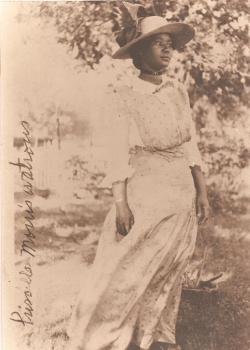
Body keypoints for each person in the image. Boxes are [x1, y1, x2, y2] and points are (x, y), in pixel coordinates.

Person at [65, 6, 211, 350]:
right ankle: (103, 335)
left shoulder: (178, 91)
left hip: (180, 196)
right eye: (156, 43)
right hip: (147, 194)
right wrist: (121, 203)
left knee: (169, 268)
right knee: (127, 268)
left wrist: (201, 193)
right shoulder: (125, 96)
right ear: (139, 52)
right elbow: (116, 153)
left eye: (169, 44)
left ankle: (157, 335)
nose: (166, 49)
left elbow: (191, 145)